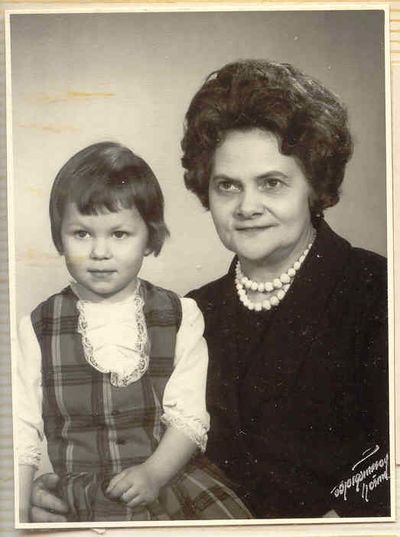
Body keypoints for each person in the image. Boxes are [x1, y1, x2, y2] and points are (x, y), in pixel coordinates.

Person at [29, 59, 390, 520]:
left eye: (272, 183)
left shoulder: (376, 290)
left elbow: (390, 462)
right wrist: (62, 495)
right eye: (227, 186)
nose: (247, 206)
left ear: (314, 188)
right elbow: (136, 449)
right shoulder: (190, 312)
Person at [16, 141, 252, 522]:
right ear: (59, 236)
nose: (100, 251)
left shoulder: (181, 316)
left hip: (168, 482)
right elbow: (20, 431)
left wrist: (153, 474)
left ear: (149, 238)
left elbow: (189, 417)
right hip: (83, 499)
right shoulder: (37, 327)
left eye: (120, 234)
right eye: (82, 233)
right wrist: (16, 511)